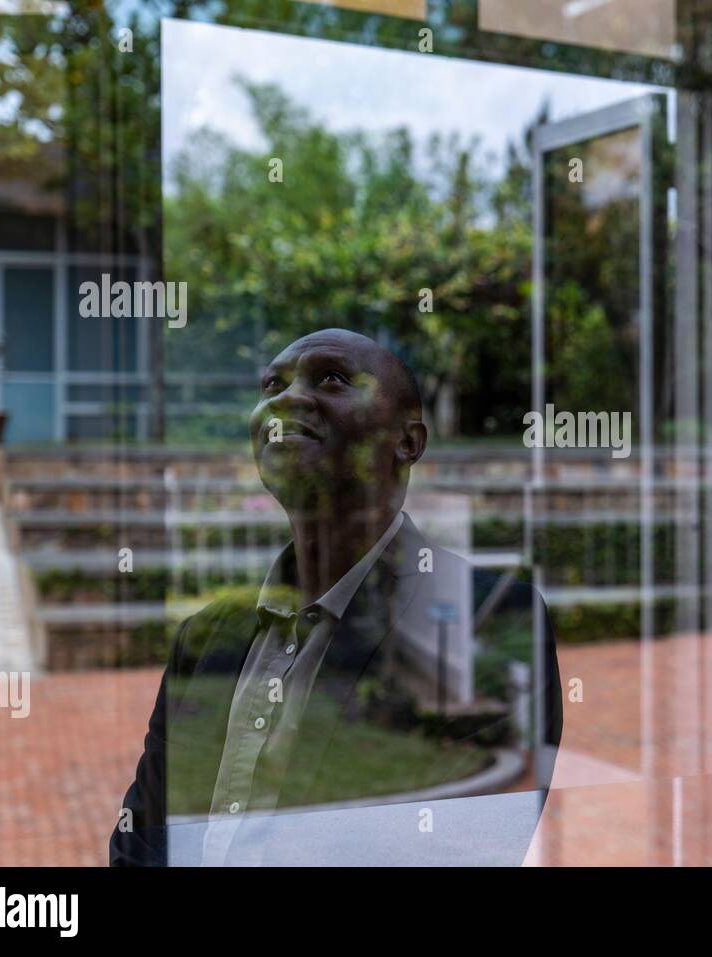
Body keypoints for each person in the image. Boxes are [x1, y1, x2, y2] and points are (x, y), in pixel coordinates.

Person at [110, 329, 563, 866]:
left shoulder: (481, 618)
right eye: (272, 384)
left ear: (408, 441)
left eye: (331, 378)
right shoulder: (205, 638)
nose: (285, 398)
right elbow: (143, 837)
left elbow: (457, 851)